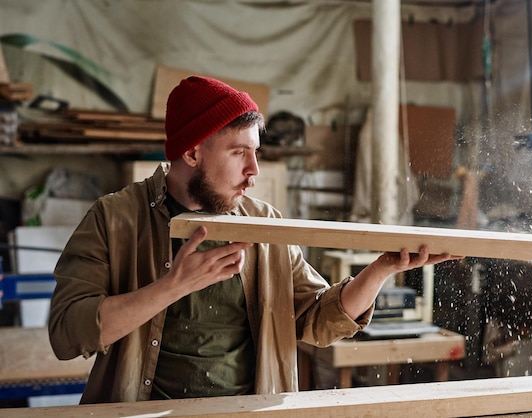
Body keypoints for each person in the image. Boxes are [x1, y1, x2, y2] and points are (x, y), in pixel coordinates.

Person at [48, 75, 461, 404]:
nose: (255, 170)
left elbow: (316, 318)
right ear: (192, 153)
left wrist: (381, 269)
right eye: (238, 153)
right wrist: (173, 287)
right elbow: (67, 333)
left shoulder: (264, 224)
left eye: (257, 152)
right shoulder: (114, 218)